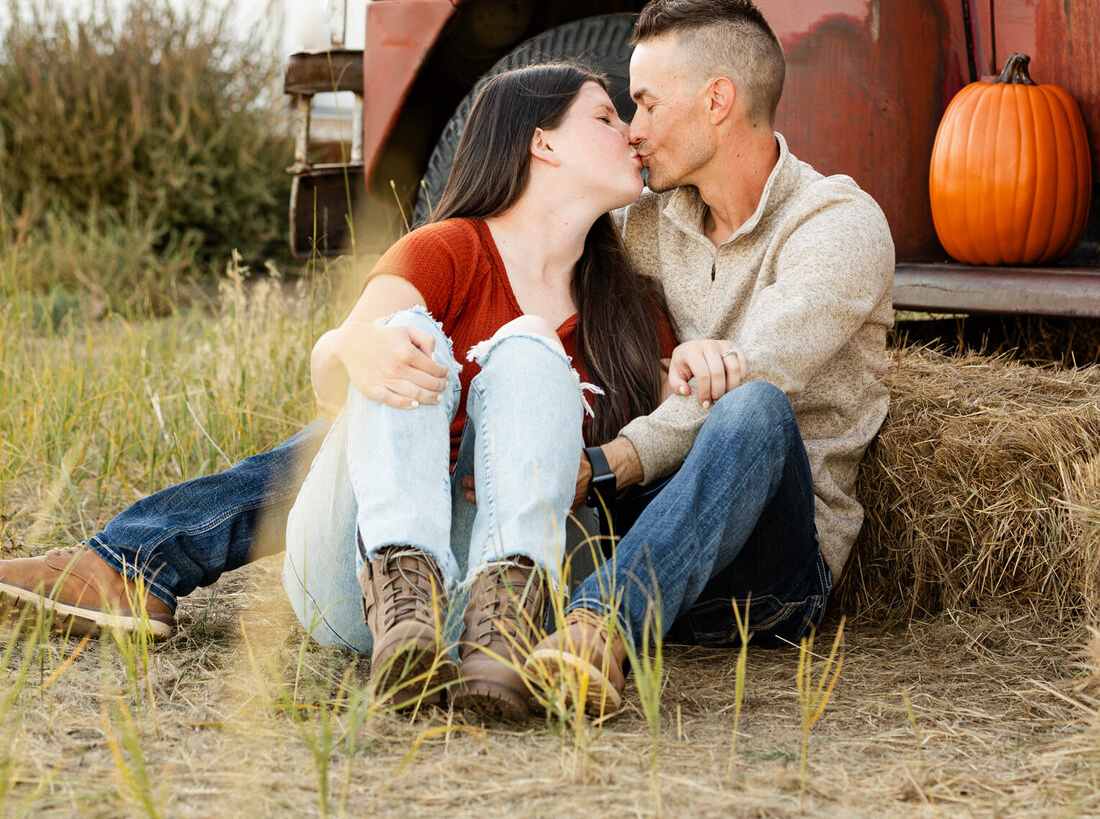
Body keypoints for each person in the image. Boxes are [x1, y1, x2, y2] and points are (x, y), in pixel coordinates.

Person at [0, 64, 674, 724]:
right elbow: (341, 395)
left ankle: (135, 562)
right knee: (398, 338)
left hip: (524, 596)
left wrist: (699, 372)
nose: (632, 133)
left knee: (528, 348)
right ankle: (405, 602)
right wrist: (346, 347)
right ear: (542, 142)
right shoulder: (444, 253)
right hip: (363, 588)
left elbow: (669, 452)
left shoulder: (631, 311)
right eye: (607, 116)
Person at [523, 0, 895, 716]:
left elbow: (751, 376)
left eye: (647, 104)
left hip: (770, 577)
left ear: (718, 100)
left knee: (751, 406)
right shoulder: (645, 222)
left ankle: (599, 626)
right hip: (645, 525)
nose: (633, 129)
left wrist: (608, 464)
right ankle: (229, 530)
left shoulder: (838, 225)